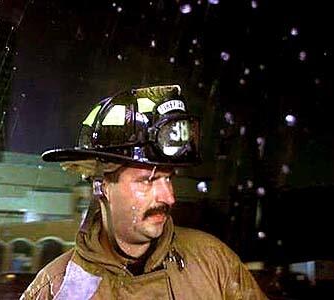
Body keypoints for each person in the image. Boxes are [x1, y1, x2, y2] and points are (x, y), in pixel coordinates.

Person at [21, 85, 267, 299]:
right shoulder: (56, 289)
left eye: (168, 178)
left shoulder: (213, 262)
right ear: (102, 185)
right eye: (147, 181)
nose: (169, 197)